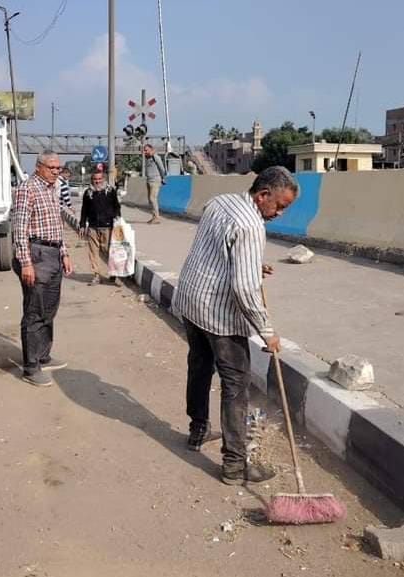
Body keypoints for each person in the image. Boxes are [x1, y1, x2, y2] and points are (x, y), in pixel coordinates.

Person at [172, 166, 298, 485]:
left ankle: (197, 431)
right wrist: (266, 331)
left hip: (190, 299)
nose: (279, 214)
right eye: (279, 206)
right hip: (218, 312)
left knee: (199, 366)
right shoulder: (251, 225)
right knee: (236, 384)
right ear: (263, 195)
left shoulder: (220, 202)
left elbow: (219, 249)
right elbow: (243, 288)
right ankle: (233, 465)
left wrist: (254, 263)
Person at [11, 151, 74, 387]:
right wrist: (26, 262)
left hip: (53, 254)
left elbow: (57, 225)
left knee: (50, 309)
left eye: (58, 168)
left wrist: (64, 253)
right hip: (36, 255)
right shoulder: (27, 189)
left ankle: (43, 354)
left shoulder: (51, 189)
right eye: (52, 167)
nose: (56, 171)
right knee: (35, 311)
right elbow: (19, 228)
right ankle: (31, 366)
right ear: (39, 167)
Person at [79, 171, 122, 286]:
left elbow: (116, 206)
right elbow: (84, 210)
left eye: (99, 179)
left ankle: (114, 275)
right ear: (92, 180)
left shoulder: (110, 191)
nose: (97, 181)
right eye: (95, 179)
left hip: (108, 227)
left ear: (103, 179)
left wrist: (117, 218)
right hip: (93, 227)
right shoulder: (88, 193)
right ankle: (96, 275)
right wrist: (82, 225)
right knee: (93, 252)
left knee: (109, 252)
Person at [143, 143, 166, 224]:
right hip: (149, 180)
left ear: (151, 150)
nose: (145, 152)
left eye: (146, 150)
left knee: (153, 198)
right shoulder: (148, 158)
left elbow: (162, 168)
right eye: (144, 150)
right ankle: (154, 217)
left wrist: (163, 178)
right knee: (150, 200)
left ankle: (157, 218)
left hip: (155, 180)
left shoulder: (155, 157)